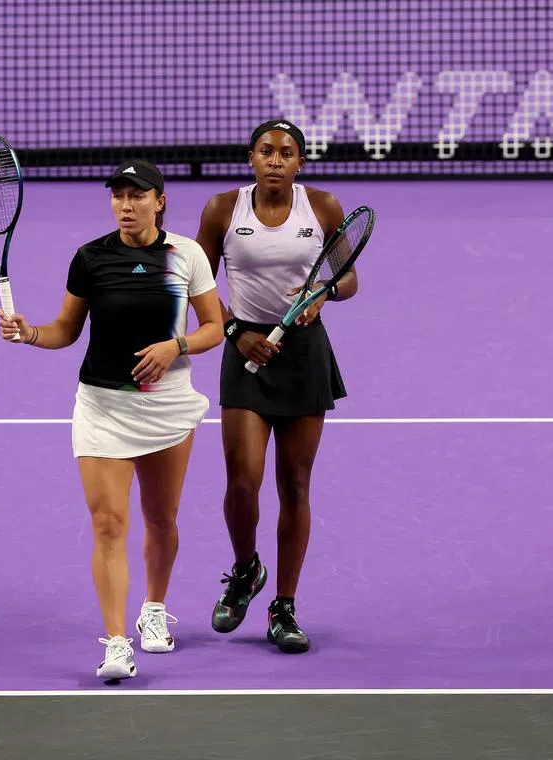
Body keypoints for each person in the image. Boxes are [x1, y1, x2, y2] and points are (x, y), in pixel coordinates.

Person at [0, 159, 224, 681]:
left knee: (162, 518)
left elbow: (215, 326)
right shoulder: (91, 258)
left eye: (137, 195)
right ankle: (116, 641)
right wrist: (29, 333)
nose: (126, 204)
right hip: (102, 407)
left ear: (159, 201)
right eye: (118, 195)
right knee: (107, 525)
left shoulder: (185, 255)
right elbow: (65, 330)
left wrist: (177, 345)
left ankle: (154, 608)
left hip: (167, 405)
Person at [195, 120, 358, 653]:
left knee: (295, 485)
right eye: (266, 151)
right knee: (243, 483)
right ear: (250, 158)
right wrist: (237, 333)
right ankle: (246, 569)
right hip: (246, 352)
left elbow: (349, 278)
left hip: (304, 356)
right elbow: (196, 283)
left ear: (299, 163)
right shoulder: (223, 209)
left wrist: (322, 293)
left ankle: (283, 606)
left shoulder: (325, 208)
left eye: (286, 153)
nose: (275, 160)